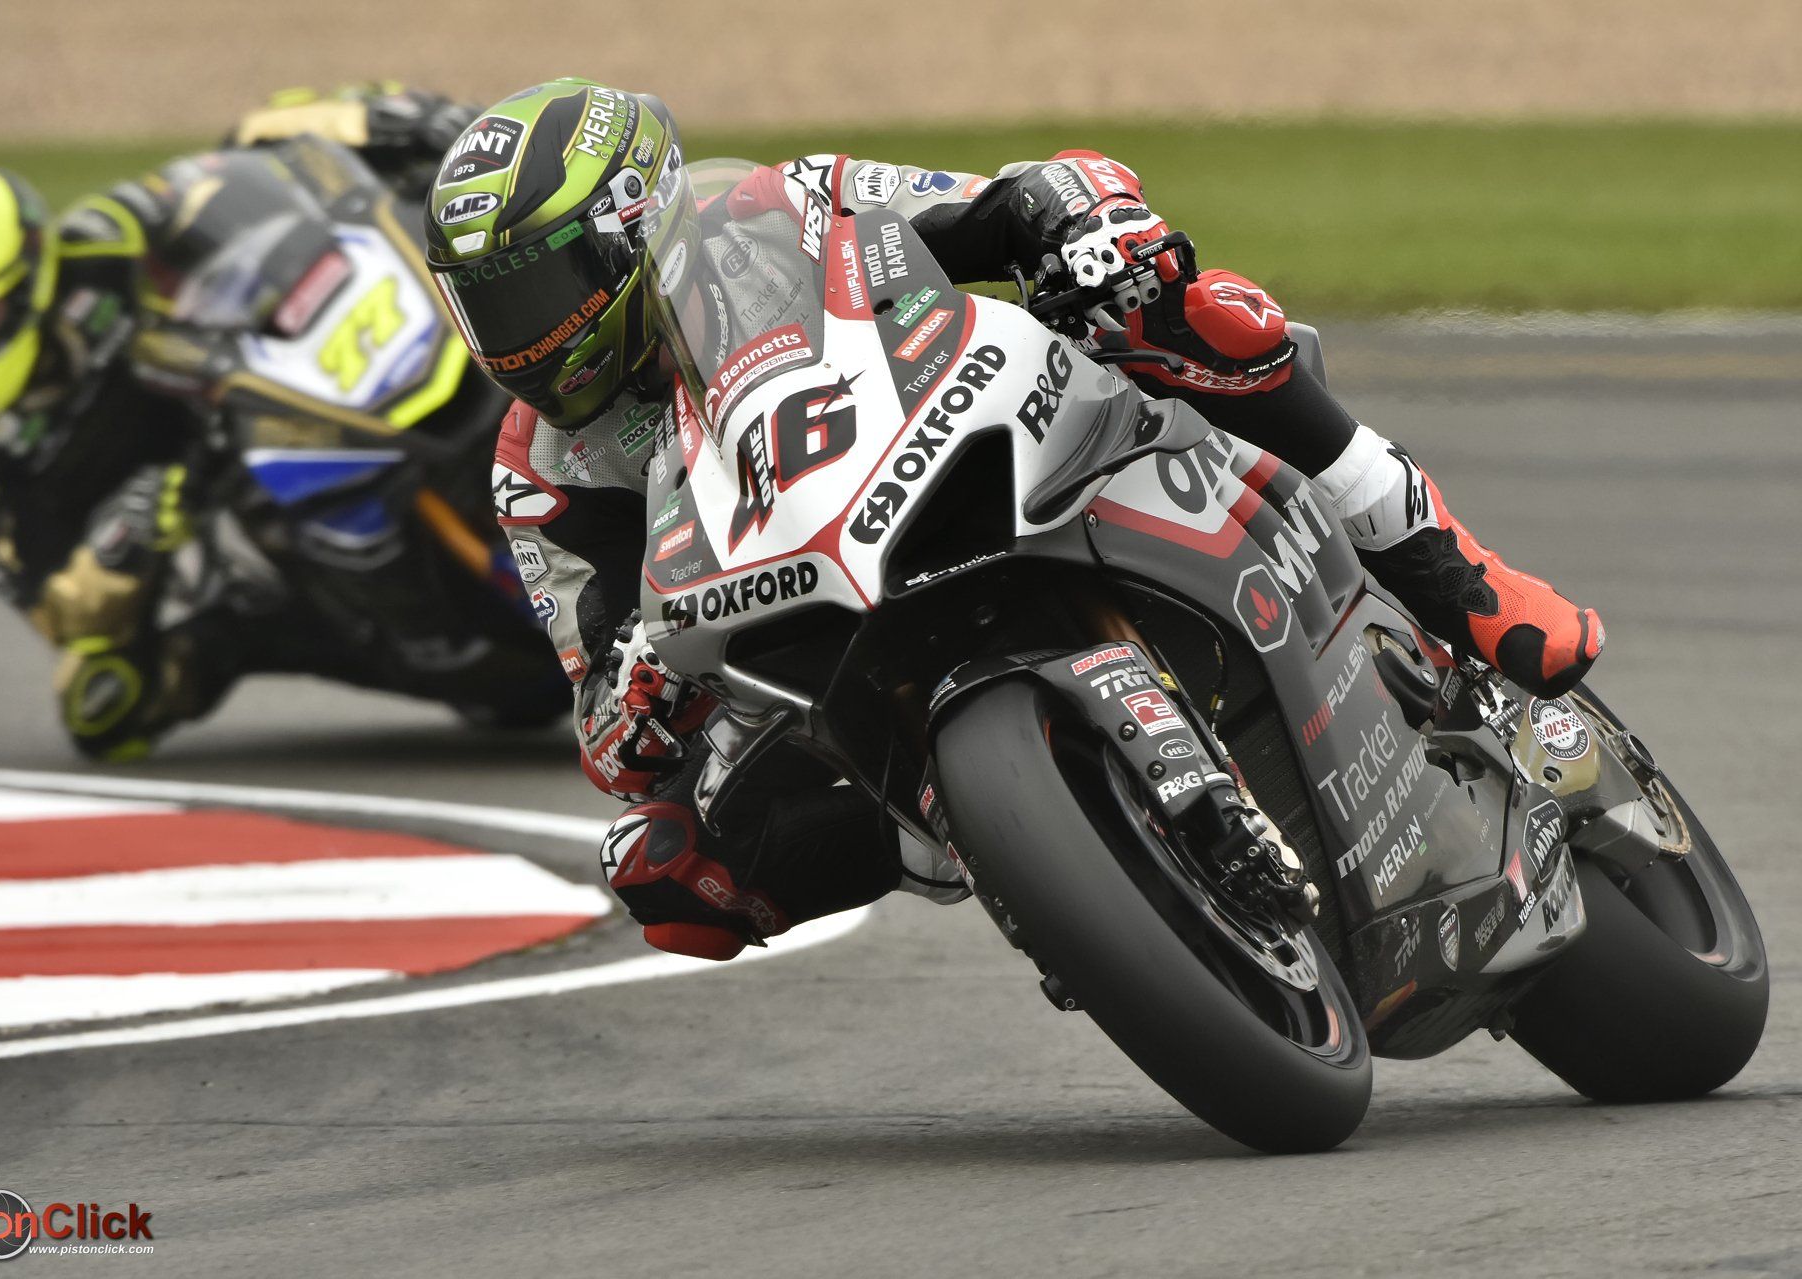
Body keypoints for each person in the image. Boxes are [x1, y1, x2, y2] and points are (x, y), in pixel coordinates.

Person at [424, 77, 1605, 961]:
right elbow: (600, 722)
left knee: (1182, 311)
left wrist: (1081, 222)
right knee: (665, 862)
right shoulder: (541, 467)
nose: (521, 338)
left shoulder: (772, 205)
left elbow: (999, 206)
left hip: (949, 443)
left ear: (631, 230)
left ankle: (1454, 574)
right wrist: (633, 696)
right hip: (801, 615)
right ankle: (1004, 844)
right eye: (487, 306)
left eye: (535, 292)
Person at [0, 86, 489, 759]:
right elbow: (55, 612)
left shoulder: (100, 245)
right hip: (148, 528)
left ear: (30, 279)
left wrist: (364, 120)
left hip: (234, 415)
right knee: (103, 704)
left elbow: (224, 168)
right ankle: (315, 640)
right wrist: (118, 542)